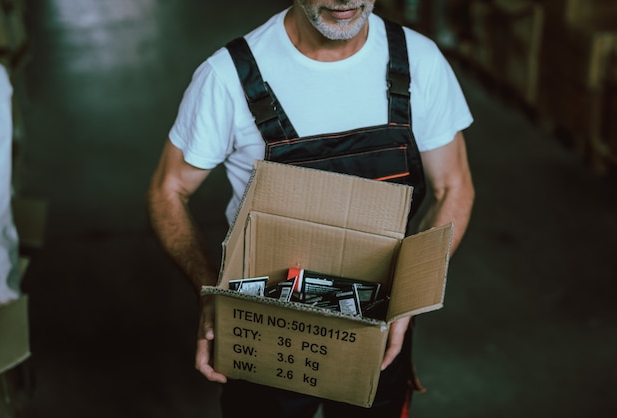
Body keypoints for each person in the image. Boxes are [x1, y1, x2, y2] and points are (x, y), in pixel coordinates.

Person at [147, 1, 474, 417]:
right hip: (265, 321)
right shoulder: (229, 76)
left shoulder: (418, 62)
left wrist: (411, 297)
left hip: (380, 320)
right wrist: (208, 291)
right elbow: (168, 190)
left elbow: (453, 187)